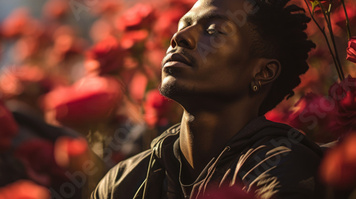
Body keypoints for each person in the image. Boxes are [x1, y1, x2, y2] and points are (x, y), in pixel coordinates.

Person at [91, 0, 325, 198]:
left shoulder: (282, 167)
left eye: (213, 31)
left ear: (263, 72)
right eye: (182, 25)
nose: (179, 38)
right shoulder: (122, 182)